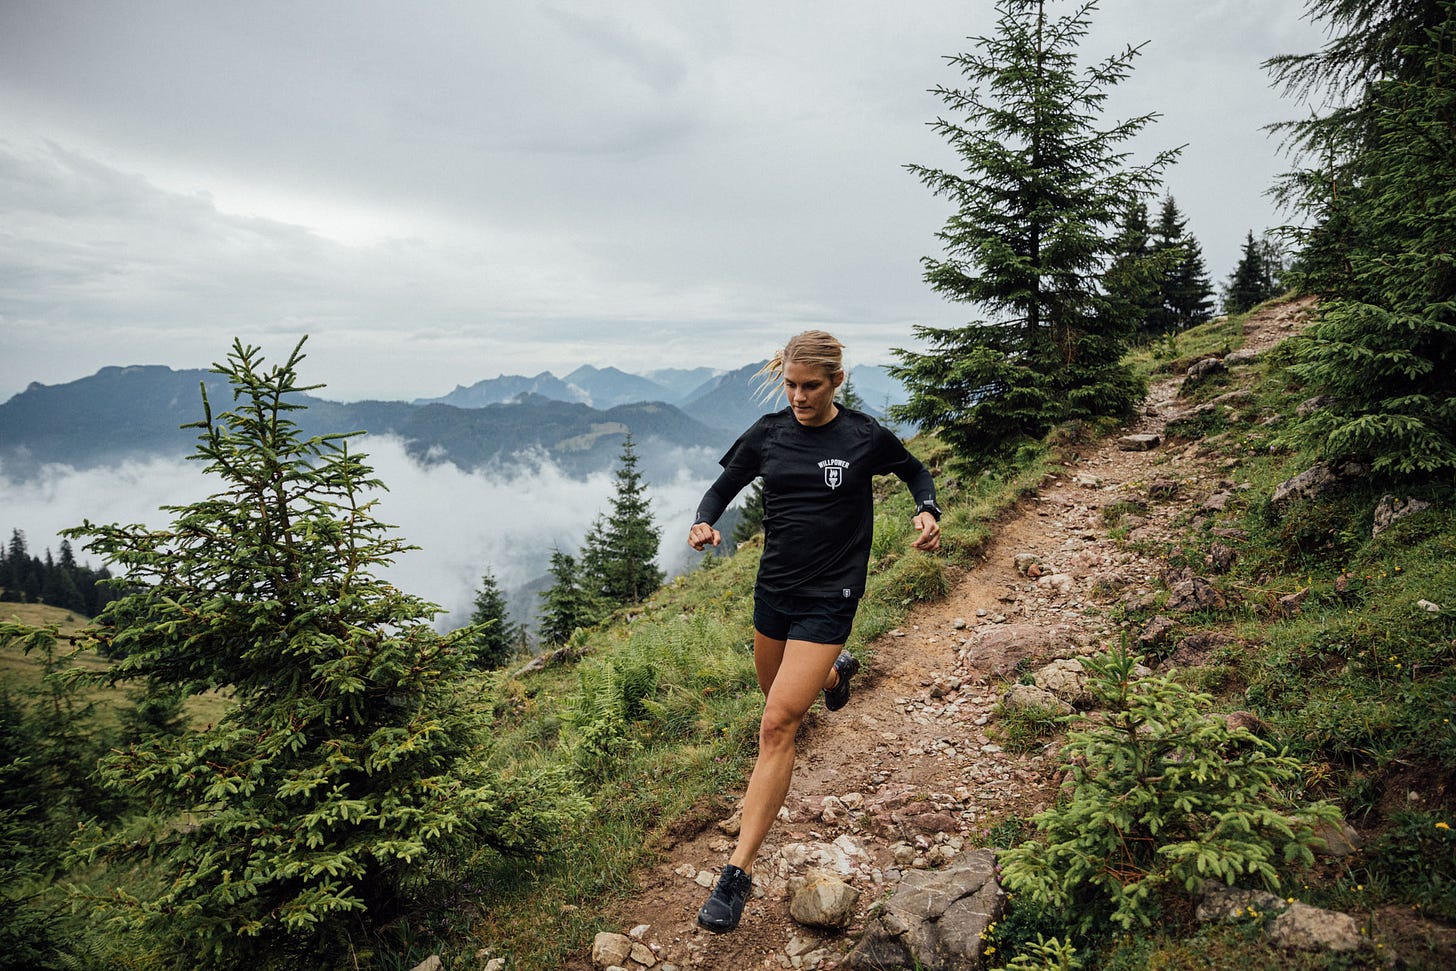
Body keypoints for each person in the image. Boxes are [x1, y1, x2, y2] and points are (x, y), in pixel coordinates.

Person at [687, 330, 941, 933]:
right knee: (771, 693)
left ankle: (736, 875)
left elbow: (915, 472)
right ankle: (834, 671)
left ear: (836, 383)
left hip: (832, 595)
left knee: (776, 724)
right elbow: (722, 489)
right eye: (791, 385)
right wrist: (702, 523)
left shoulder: (862, 437)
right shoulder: (768, 434)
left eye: (811, 386)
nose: (799, 397)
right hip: (774, 589)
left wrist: (927, 509)